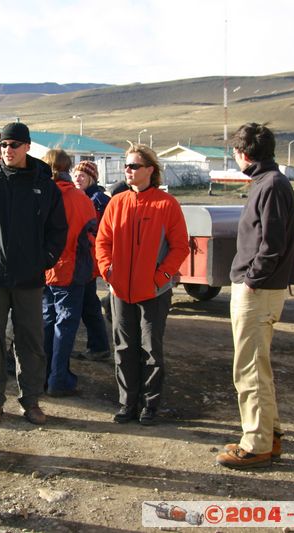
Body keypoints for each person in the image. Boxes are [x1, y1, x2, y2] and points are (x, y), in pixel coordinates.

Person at [0, 122, 67, 426]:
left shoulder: (44, 186)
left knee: (30, 341)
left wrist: (43, 260)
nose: (8, 150)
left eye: (15, 145)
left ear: (27, 148)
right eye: (4, 145)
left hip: (30, 281)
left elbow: (58, 230)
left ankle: (31, 401)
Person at [215, 123, 294, 469]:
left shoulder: (272, 185)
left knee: (249, 369)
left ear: (243, 153)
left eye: (235, 151)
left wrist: (251, 281)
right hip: (259, 288)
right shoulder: (267, 182)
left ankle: (256, 444)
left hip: (258, 291)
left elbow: (272, 244)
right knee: (257, 366)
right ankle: (270, 435)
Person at [95, 144, 189, 426]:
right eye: (127, 165)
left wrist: (160, 278)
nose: (128, 170)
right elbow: (102, 242)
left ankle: (150, 406)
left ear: (150, 170)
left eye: (134, 166)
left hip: (154, 292)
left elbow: (180, 246)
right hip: (120, 290)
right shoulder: (117, 202)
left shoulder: (166, 204)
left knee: (150, 349)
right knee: (124, 348)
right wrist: (108, 272)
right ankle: (127, 404)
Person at [42, 150, 97, 396]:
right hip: (70, 270)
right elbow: (89, 236)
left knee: (47, 321)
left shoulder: (38, 195)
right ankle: (58, 379)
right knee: (64, 325)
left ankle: (44, 375)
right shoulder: (80, 199)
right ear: (68, 167)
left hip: (42, 270)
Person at [71, 161, 111, 362]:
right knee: (89, 303)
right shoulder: (89, 197)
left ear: (92, 178)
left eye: (82, 176)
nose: (78, 179)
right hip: (88, 260)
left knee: (86, 304)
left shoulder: (97, 200)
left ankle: (99, 346)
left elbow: (96, 233)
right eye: (76, 175)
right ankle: (99, 345)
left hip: (89, 260)